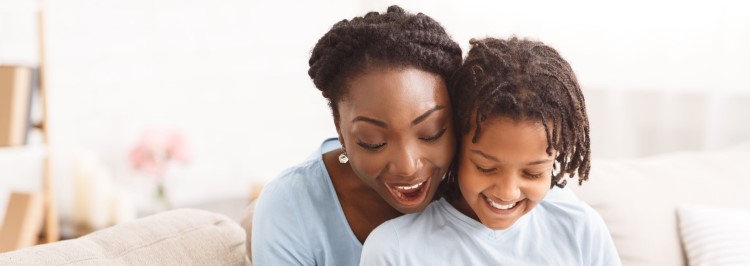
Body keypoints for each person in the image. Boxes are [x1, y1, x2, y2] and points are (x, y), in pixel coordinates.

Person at [359, 37, 621, 265]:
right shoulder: (394, 248)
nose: (507, 192)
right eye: (486, 168)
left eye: (532, 173)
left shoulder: (581, 230)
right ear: (458, 149)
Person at [251, 5, 463, 265]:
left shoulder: (484, 181)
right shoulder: (289, 207)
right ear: (338, 126)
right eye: (372, 142)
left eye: (431, 134)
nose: (407, 166)